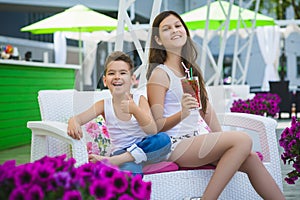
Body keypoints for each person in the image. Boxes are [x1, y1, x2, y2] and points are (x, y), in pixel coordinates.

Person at [146, 10, 285, 200]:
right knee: (243, 140)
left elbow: (205, 108)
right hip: (176, 145)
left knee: (250, 158)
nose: (175, 30)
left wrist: (221, 136)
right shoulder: (159, 74)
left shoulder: (189, 70)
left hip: (199, 140)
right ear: (159, 40)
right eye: (167, 29)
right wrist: (183, 114)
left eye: (178, 26)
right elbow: (156, 125)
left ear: (185, 32)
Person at [68, 51, 171, 175]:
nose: (117, 76)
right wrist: (73, 121)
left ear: (132, 79)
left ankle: (113, 161)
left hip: (146, 149)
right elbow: (78, 119)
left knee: (163, 139)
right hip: (121, 151)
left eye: (123, 73)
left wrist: (135, 110)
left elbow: (152, 130)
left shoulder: (139, 100)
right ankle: (123, 160)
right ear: (105, 81)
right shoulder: (103, 105)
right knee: (130, 174)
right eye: (112, 73)